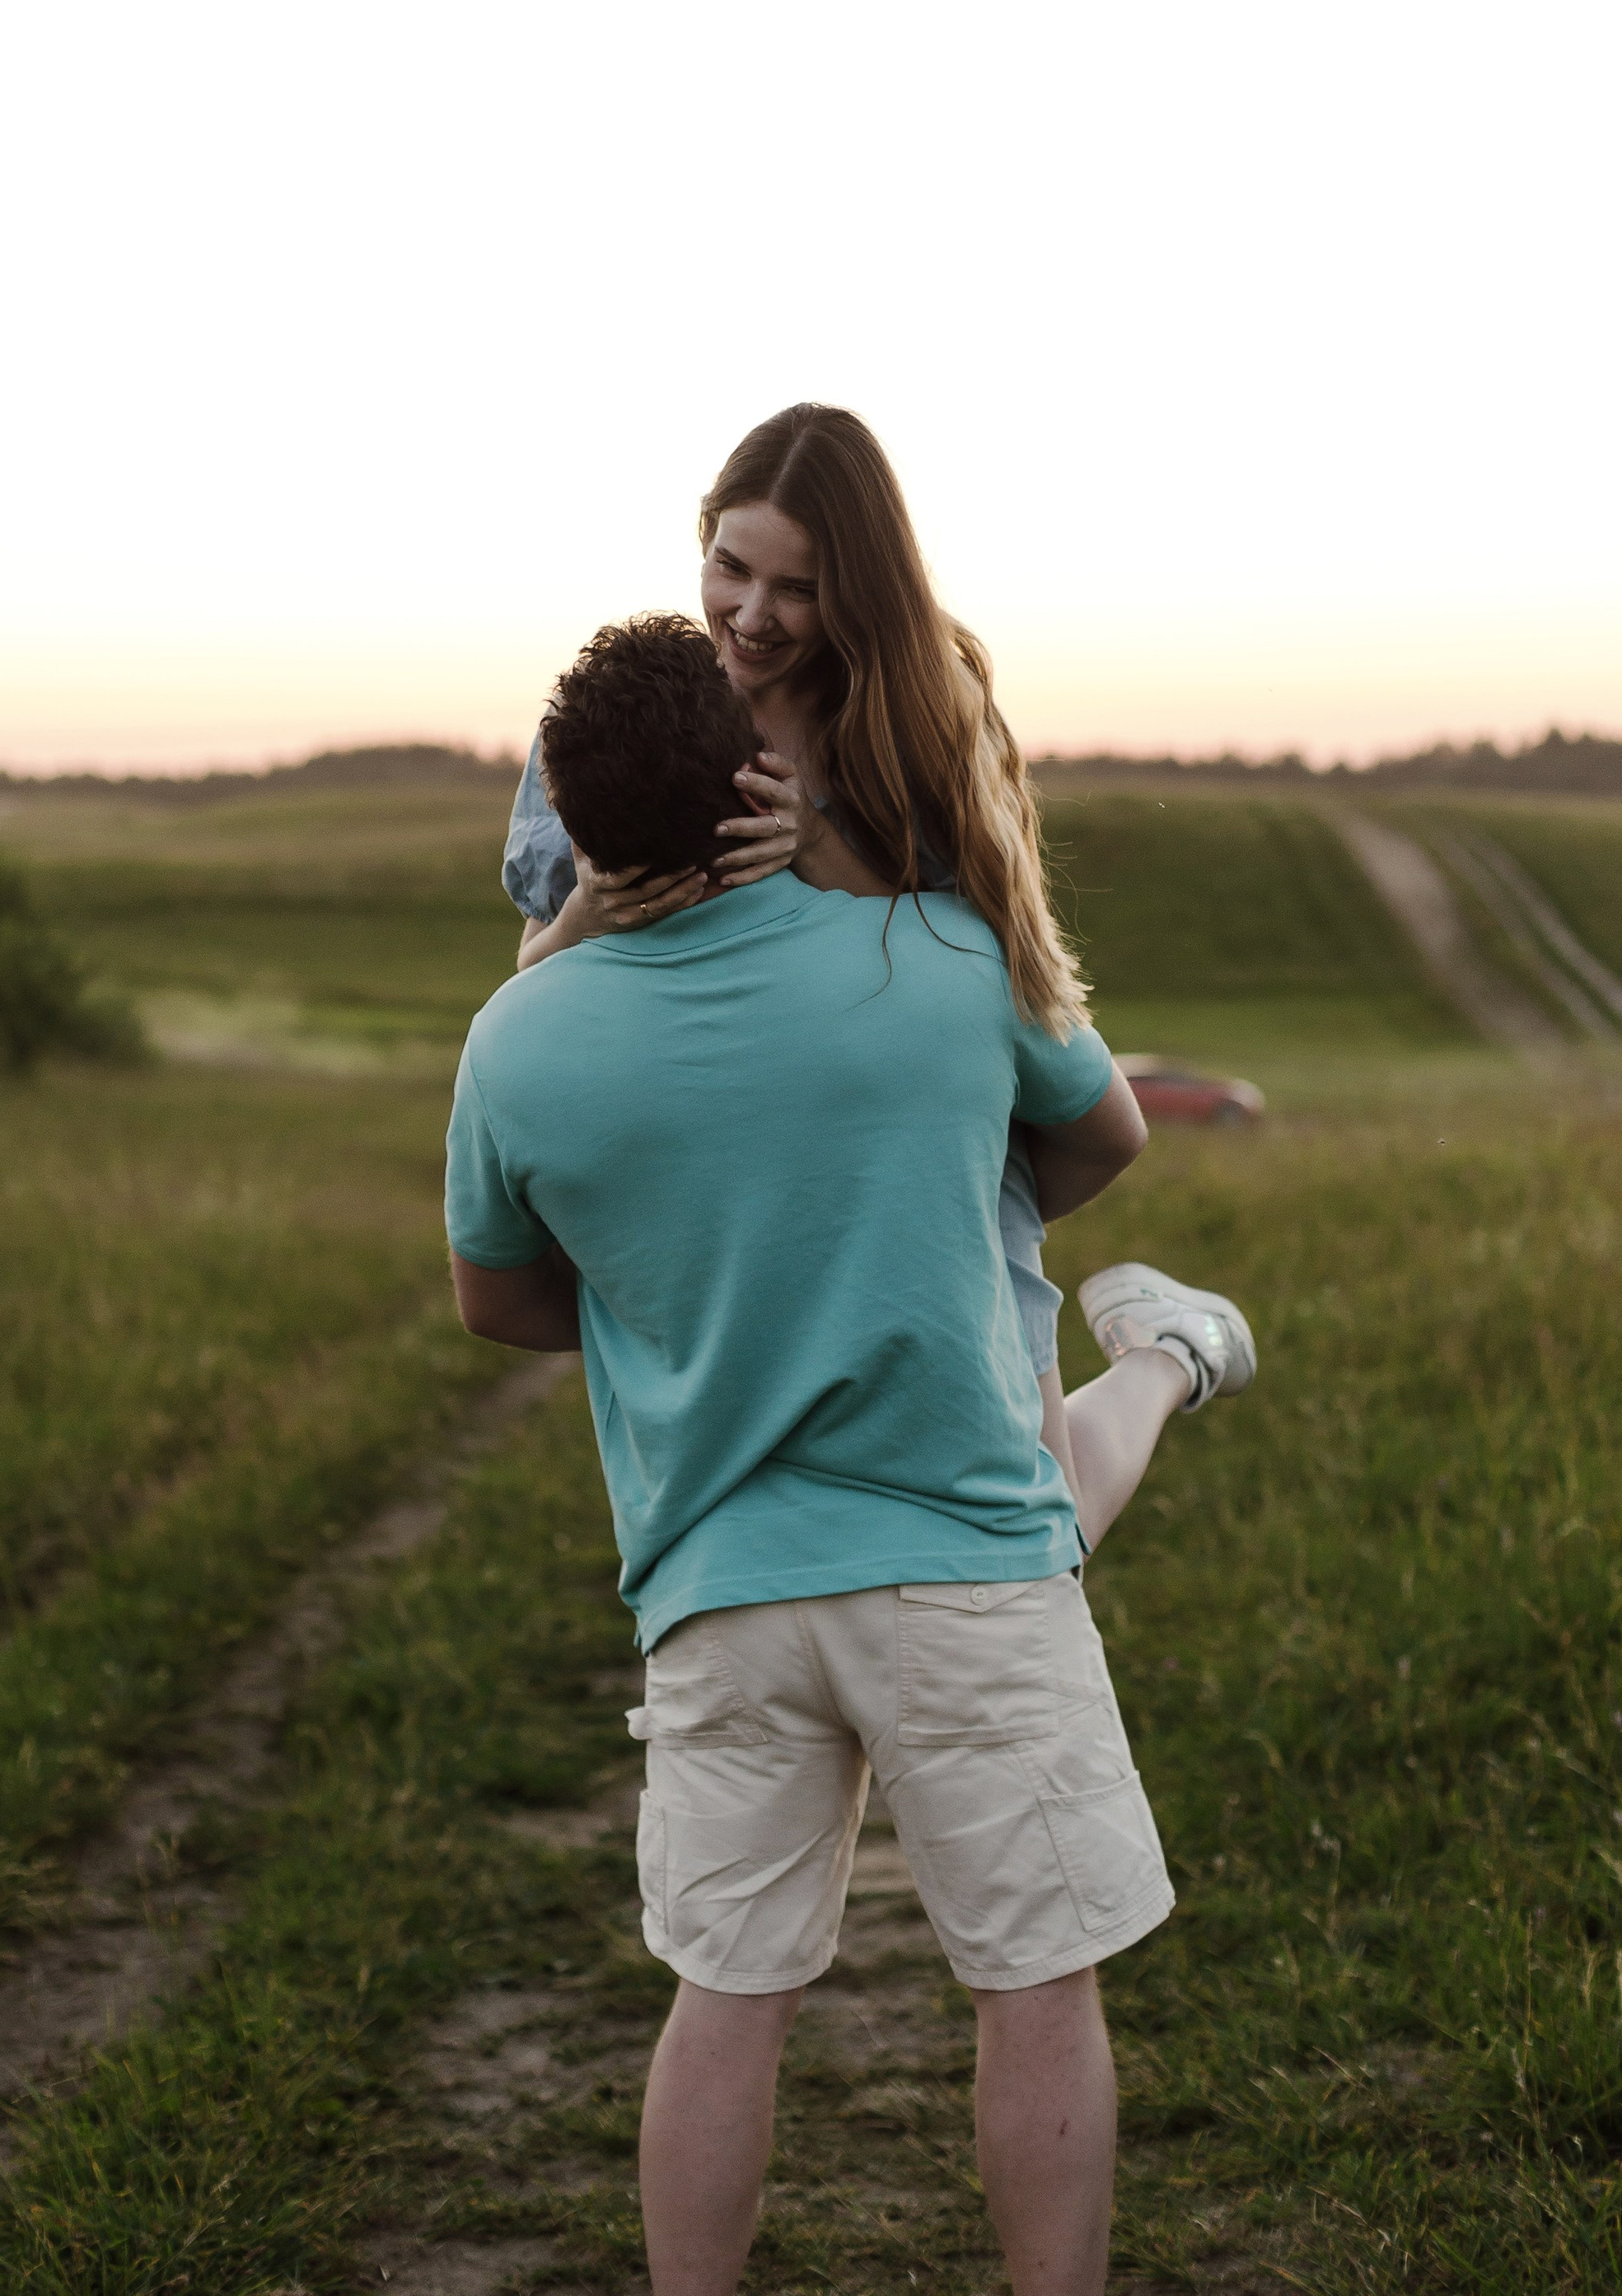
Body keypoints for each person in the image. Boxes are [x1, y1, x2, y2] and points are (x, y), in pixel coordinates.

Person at [446, 614, 1192, 2296]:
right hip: (969, 1576)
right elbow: (1098, 1137)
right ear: (756, 783)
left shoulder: (517, 1039)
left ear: (573, 813)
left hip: (715, 1587)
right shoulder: (931, 954)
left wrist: (696, 1307)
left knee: (728, 1996)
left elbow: (498, 1306)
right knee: (1034, 1986)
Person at [498, 401, 1256, 1548]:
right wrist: (591, 915)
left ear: (857, 589)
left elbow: (979, 947)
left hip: (917, 1134)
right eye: (730, 567)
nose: (751, 615)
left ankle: (1164, 1356)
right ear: (701, 541)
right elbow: (533, 972)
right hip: (732, 1159)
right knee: (827, 1547)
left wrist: (819, 849)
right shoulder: (631, 715)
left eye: (795, 588)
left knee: (1039, 1526)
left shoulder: (911, 721)